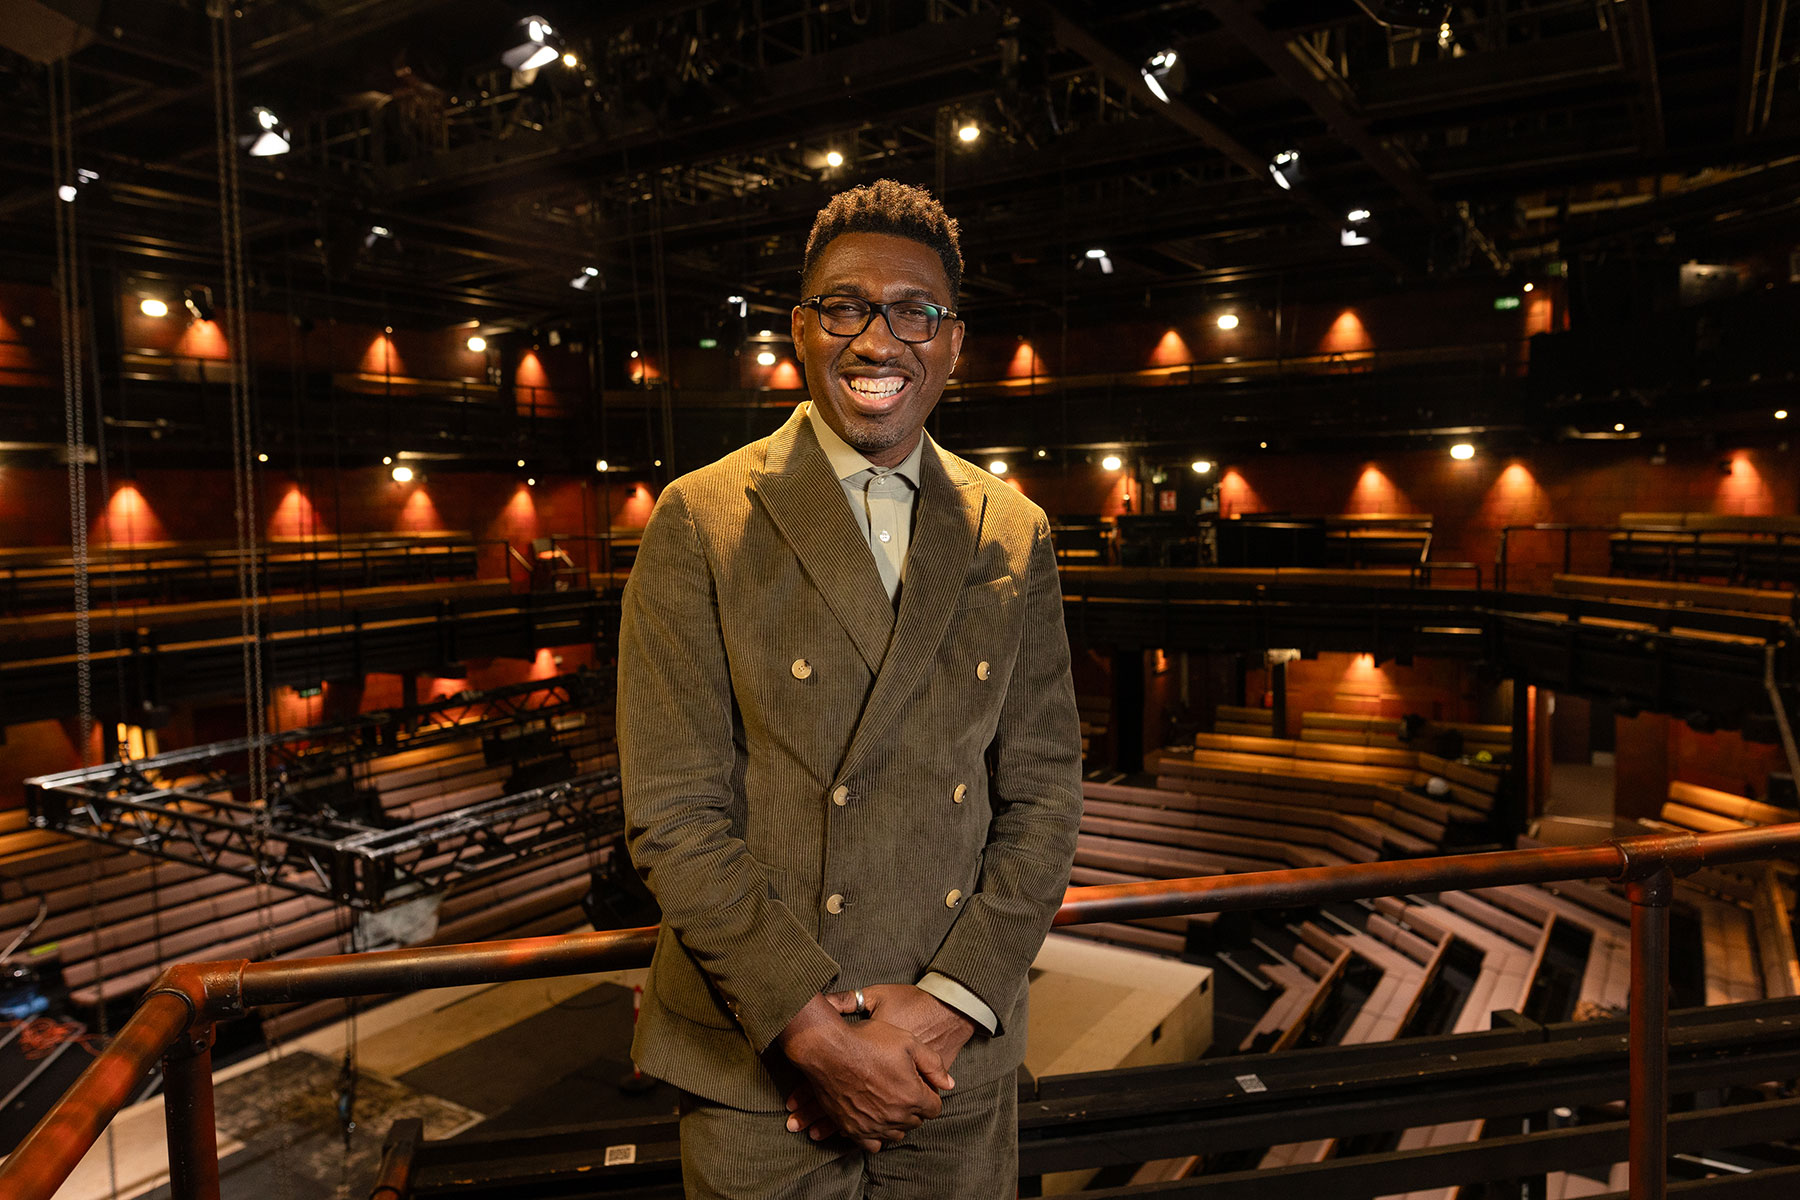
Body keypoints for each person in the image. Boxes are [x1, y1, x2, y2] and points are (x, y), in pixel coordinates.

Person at [616, 180, 1083, 1198]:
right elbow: (674, 815)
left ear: (954, 342)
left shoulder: (1015, 530)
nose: (880, 338)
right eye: (845, 306)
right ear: (801, 328)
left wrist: (951, 1002)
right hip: (761, 1059)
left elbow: (1045, 795)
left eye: (914, 310)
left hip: (946, 1062)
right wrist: (813, 1035)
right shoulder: (701, 518)